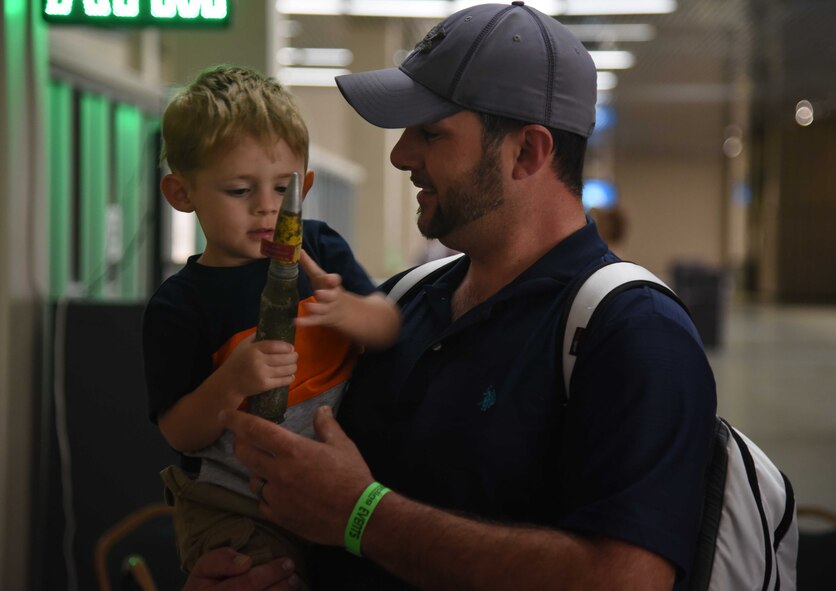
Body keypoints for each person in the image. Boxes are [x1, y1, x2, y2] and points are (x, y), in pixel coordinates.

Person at [194, 3, 718, 589]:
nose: (400, 156)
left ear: (527, 152)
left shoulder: (633, 333)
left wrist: (361, 515)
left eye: (431, 132)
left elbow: (627, 580)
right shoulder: (404, 303)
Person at [142, 65, 400, 585]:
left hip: (333, 485)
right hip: (233, 504)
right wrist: (231, 381)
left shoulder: (320, 248)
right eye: (239, 191)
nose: (266, 206)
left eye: (283, 187)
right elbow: (180, 431)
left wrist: (349, 309)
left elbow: (388, 324)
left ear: (303, 185)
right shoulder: (179, 306)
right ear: (181, 193)